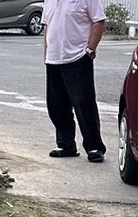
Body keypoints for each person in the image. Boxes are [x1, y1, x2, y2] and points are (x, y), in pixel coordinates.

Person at [42, 0, 107, 163]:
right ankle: (66, 144)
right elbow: (47, 27)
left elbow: (99, 21)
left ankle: (94, 147)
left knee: (84, 105)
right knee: (56, 106)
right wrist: (46, 53)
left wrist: (90, 50)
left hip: (77, 58)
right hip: (54, 59)